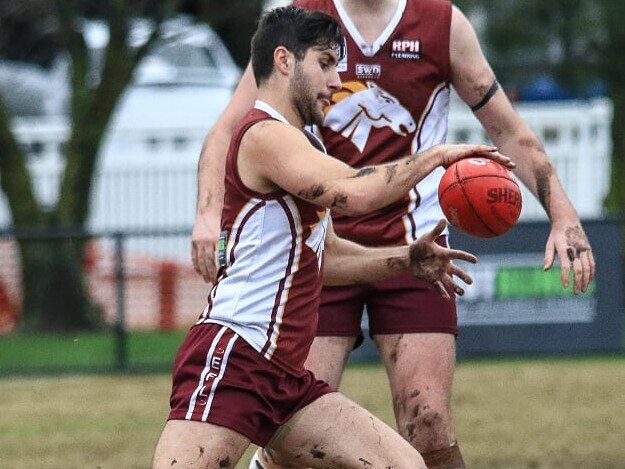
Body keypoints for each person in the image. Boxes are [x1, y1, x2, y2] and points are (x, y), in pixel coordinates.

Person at [190, 1, 596, 468]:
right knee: (288, 439)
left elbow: (508, 130)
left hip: (418, 247)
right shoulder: (304, 21)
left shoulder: (442, 23)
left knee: (430, 424)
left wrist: (563, 215)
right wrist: (207, 216)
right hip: (319, 251)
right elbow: (230, 128)